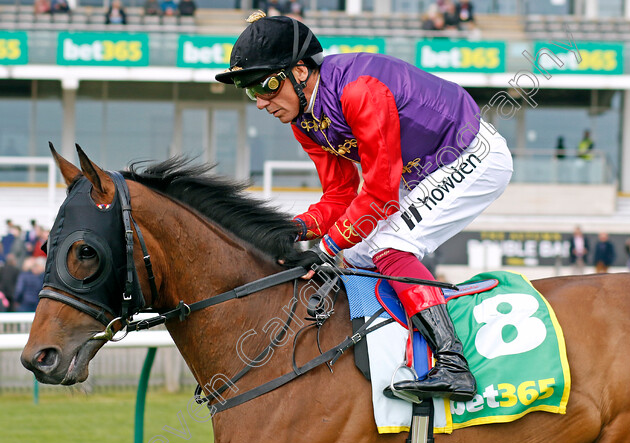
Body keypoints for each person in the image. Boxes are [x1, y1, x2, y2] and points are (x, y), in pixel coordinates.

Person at [215, 14, 513, 402]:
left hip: (471, 154)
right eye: (248, 89)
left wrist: (324, 249)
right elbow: (340, 194)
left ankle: (453, 364)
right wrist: (290, 230)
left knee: (391, 247)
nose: (260, 102)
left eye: (266, 85)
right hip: (419, 175)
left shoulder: (359, 91)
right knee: (356, 253)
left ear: (300, 72)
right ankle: (392, 357)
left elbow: (380, 197)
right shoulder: (304, 119)